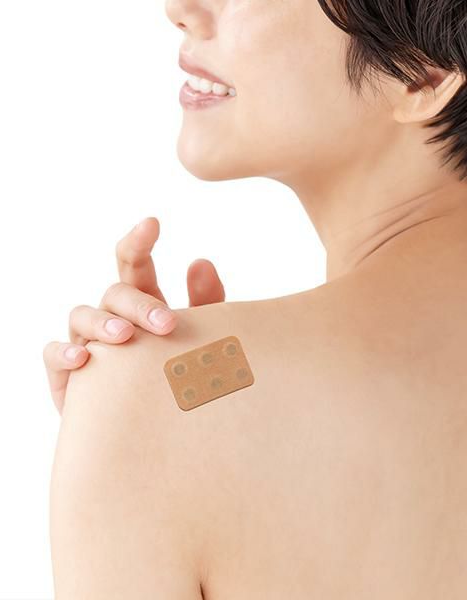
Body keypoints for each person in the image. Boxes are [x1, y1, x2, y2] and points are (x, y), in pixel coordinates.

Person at [44, 1, 467, 598]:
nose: (181, 9)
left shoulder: (156, 395)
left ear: (421, 75)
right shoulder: (171, 394)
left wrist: (132, 417)